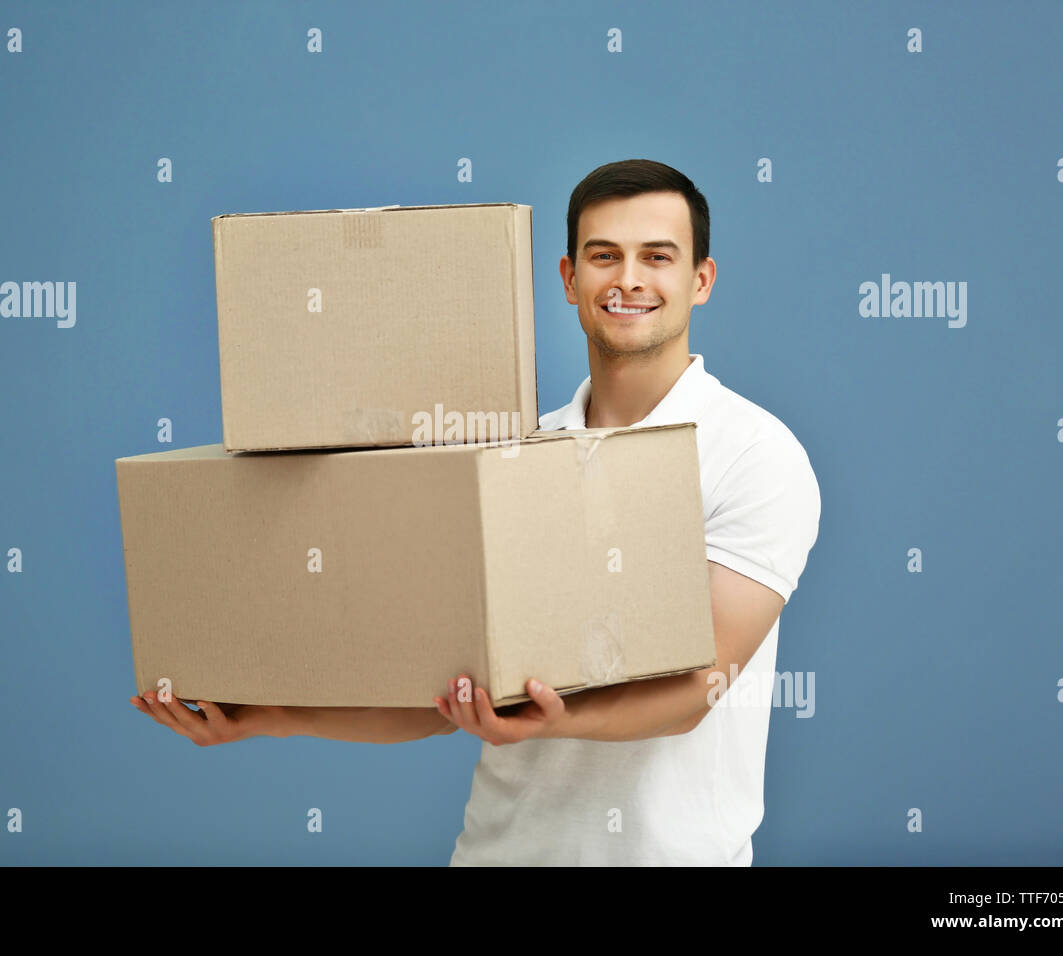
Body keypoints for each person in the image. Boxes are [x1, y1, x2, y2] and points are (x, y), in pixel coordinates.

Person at [129, 158, 821, 867]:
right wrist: (266, 716)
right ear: (567, 278)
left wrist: (549, 719)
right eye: (603, 256)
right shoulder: (511, 457)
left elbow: (695, 692)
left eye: (658, 257)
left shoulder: (756, 456)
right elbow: (438, 696)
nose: (629, 280)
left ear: (700, 280)